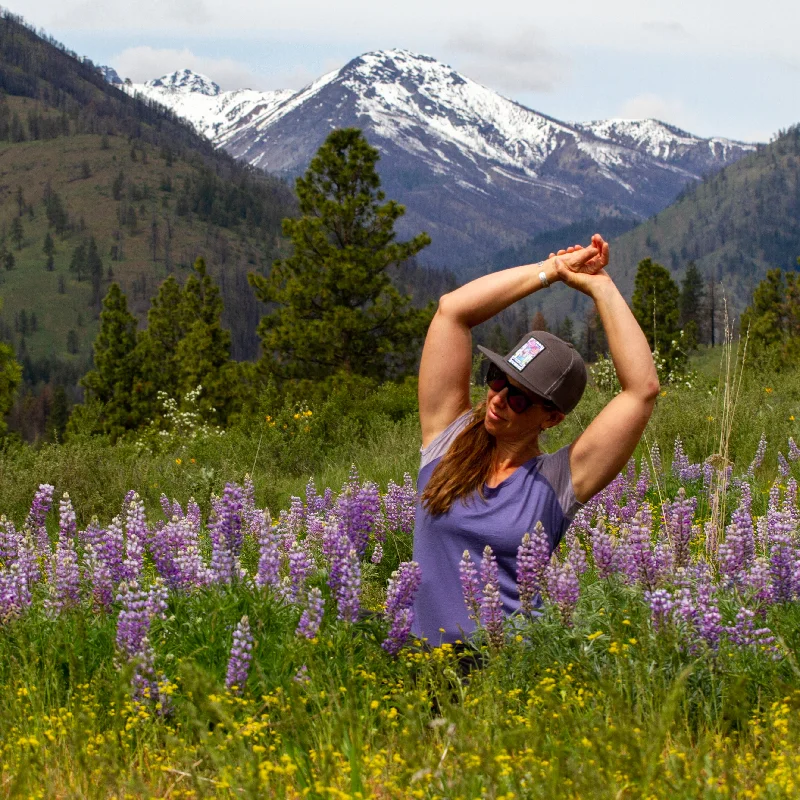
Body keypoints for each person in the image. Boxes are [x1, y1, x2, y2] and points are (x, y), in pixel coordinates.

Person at [411, 234, 659, 645]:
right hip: (417, 668)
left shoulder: (559, 481)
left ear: (552, 417)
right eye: (497, 380)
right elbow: (451, 311)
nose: (498, 400)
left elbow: (641, 390)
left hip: (508, 677)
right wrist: (552, 272)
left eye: (520, 398)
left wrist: (600, 286)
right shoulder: (447, 440)